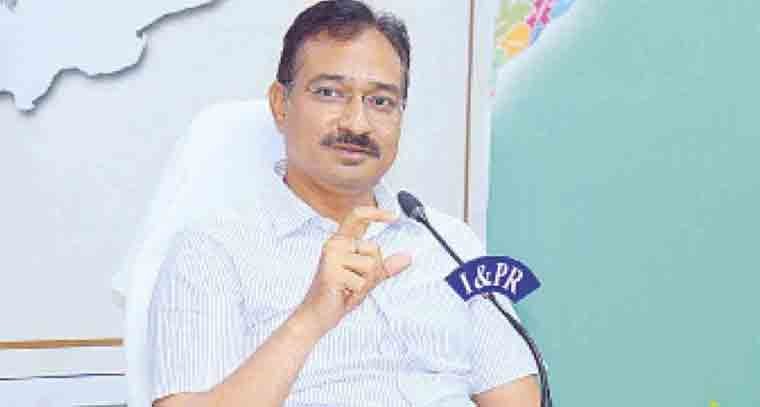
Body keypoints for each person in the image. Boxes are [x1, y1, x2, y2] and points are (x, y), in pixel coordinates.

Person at [147, 1, 540, 406]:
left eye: (381, 101)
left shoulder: (449, 243)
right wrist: (311, 317)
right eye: (329, 93)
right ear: (281, 104)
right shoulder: (213, 250)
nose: (357, 123)